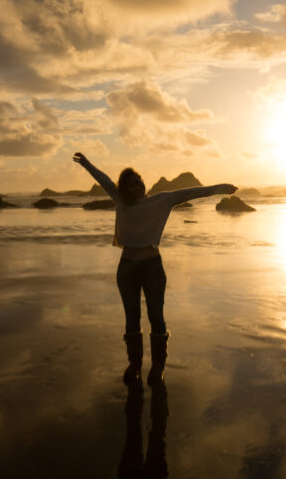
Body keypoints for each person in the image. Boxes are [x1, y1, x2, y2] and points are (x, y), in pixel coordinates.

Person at [73, 152, 237, 386]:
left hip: (152, 266)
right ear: (125, 189)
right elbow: (104, 180)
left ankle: (158, 367)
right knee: (132, 318)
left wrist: (221, 188)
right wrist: (87, 163)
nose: (138, 184)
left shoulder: (161, 200)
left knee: (156, 316)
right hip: (127, 267)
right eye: (133, 183)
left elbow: (190, 192)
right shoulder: (120, 201)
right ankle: (135, 364)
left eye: (140, 180)